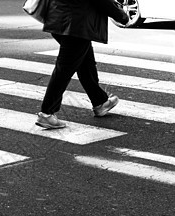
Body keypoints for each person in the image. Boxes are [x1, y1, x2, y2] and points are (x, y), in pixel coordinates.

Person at [35, 0, 129, 129]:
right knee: (64, 70)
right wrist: (121, 16)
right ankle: (46, 113)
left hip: (58, 18)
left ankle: (100, 102)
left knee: (86, 64)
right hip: (76, 25)